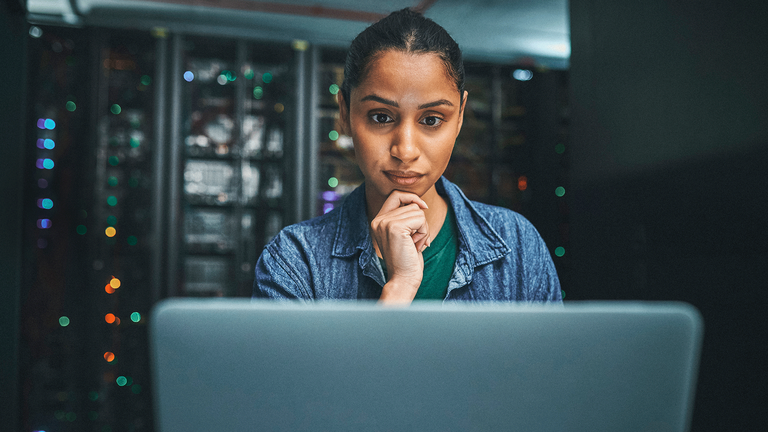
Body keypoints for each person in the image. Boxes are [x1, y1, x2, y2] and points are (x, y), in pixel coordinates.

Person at [253, 8, 562, 304]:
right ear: (344, 113)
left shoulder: (518, 246)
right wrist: (399, 286)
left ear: (460, 117)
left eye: (431, 120)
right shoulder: (295, 262)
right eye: (380, 117)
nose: (405, 151)